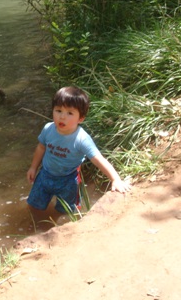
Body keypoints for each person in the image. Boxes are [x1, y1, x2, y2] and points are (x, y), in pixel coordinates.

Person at [26, 86, 131, 221]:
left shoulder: (81, 139)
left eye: (70, 113)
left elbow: (98, 159)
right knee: (34, 206)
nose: (62, 116)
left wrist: (115, 179)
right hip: (45, 175)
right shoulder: (48, 129)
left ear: (80, 118)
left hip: (69, 180)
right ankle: (35, 226)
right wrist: (33, 167)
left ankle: (59, 229)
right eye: (58, 110)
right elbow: (41, 147)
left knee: (65, 212)